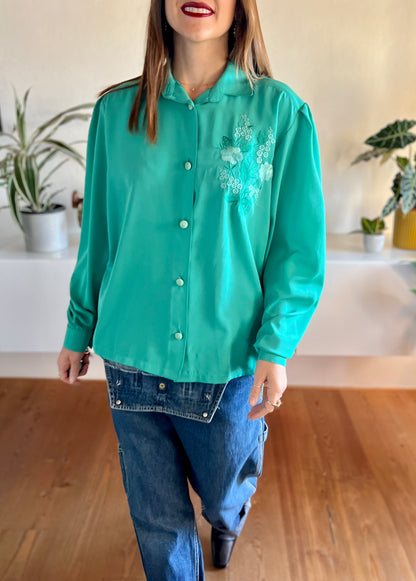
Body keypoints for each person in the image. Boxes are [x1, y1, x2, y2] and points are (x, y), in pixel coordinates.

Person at [57, 0, 326, 578]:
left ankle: (229, 517)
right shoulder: (115, 113)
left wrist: (275, 348)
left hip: (227, 360)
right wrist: (79, 328)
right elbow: (98, 235)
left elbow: (297, 250)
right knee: (158, 520)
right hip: (131, 351)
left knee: (224, 490)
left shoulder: (281, 114)